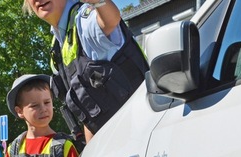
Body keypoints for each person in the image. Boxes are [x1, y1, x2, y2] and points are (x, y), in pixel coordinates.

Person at [23, 0, 149, 145]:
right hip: (117, 145)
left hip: (144, 133)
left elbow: (109, 22)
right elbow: (91, 111)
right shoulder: (57, 46)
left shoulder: (84, 18)